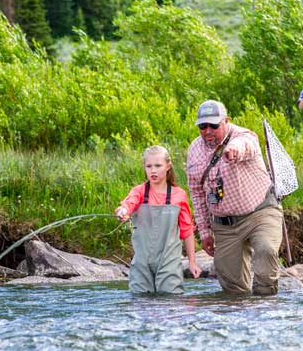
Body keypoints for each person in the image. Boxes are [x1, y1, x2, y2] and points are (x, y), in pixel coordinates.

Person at [186, 100, 284, 295]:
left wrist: (234, 151)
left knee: (266, 250)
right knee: (232, 287)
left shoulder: (243, 136)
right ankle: (239, 316)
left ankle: (266, 306)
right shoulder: (194, 151)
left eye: (213, 125)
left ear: (226, 121)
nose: (207, 131)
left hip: (261, 213)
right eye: (202, 126)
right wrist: (205, 232)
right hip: (224, 224)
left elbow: (246, 146)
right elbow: (197, 193)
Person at [115, 145, 201, 294]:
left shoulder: (179, 194)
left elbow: (187, 231)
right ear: (144, 167)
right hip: (142, 262)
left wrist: (192, 262)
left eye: (158, 166)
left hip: (169, 261)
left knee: (170, 300)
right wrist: (123, 211)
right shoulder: (139, 191)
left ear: (168, 166)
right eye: (149, 166)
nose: (153, 170)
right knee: (140, 301)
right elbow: (128, 204)